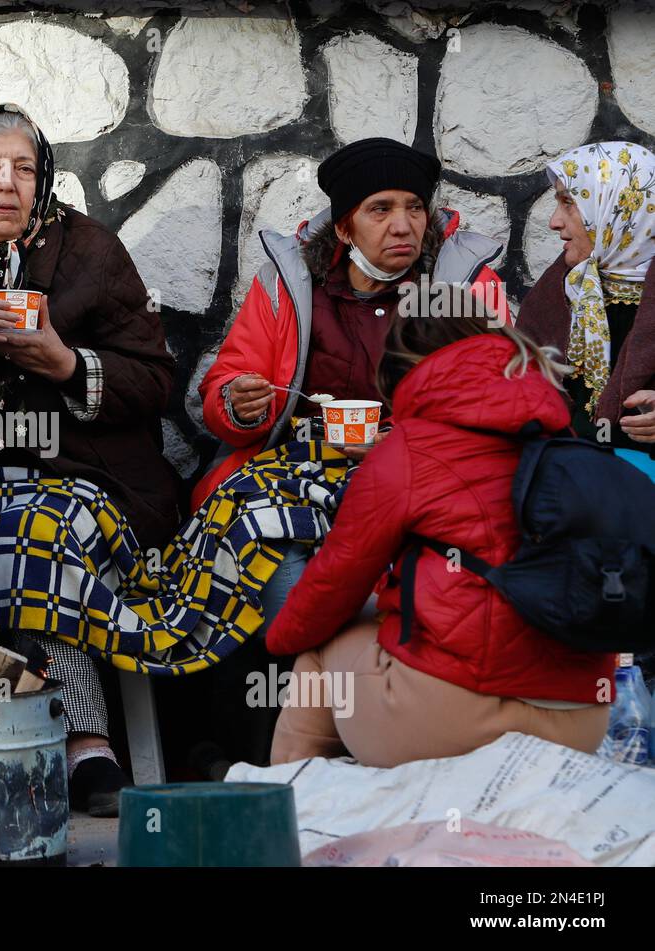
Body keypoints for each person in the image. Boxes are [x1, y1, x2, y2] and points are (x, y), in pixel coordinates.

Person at [0, 104, 180, 816]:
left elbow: (155, 378)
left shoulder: (90, 252)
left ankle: (85, 742)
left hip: (72, 473)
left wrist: (67, 363)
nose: (6, 184)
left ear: (45, 178)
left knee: (36, 530)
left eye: (23, 168)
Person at [191, 137, 509, 766]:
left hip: (419, 473)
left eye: (414, 207)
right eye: (380, 209)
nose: (403, 224)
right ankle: (271, 742)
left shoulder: (465, 286)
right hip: (296, 470)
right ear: (344, 225)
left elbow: (502, 390)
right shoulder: (292, 287)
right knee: (267, 548)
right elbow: (224, 385)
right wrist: (239, 402)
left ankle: (348, 734)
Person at [265, 308, 613, 766]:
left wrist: (278, 640)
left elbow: (328, 592)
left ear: (405, 369)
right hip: (580, 722)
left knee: (321, 642)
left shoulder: (407, 449)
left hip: (447, 720)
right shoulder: (563, 436)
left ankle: (291, 805)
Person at [518, 141, 655, 478]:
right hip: (566, 488)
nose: (554, 222)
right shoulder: (562, 289)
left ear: (619, 206)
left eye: (569, 203)